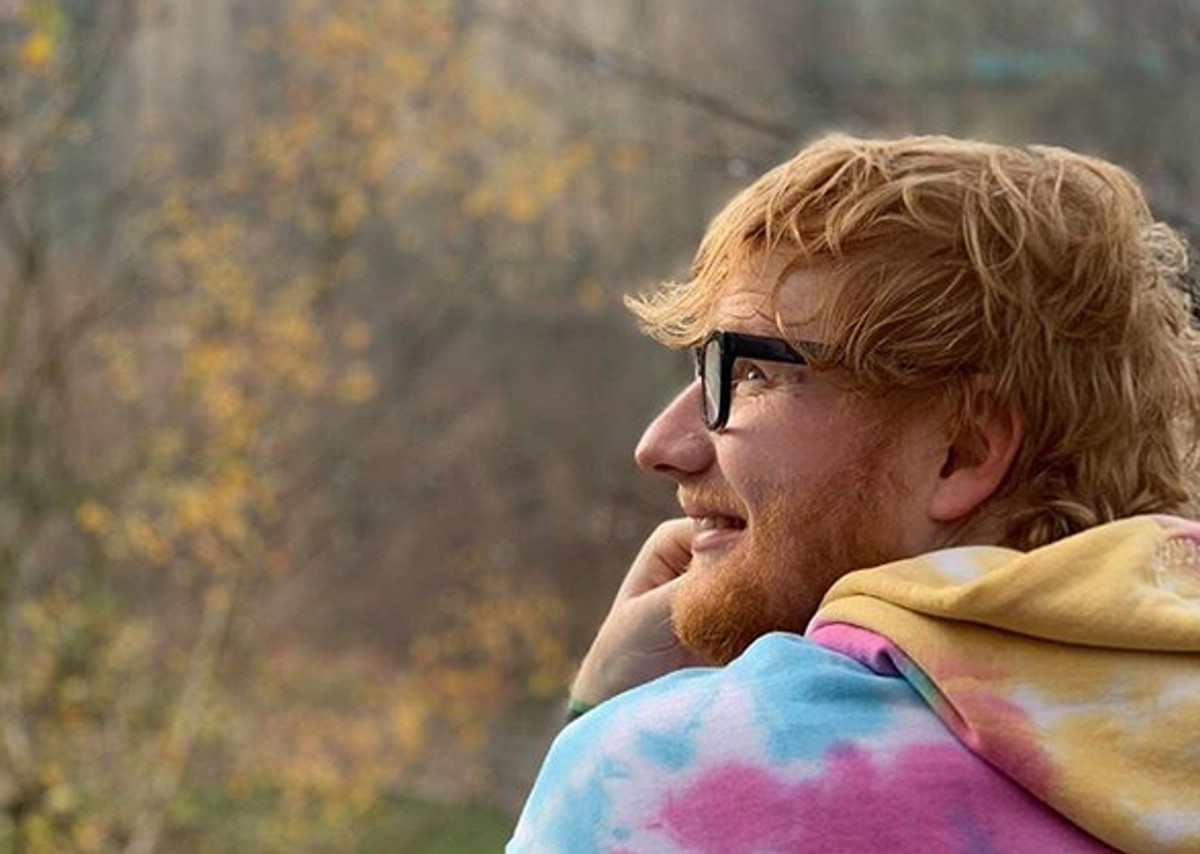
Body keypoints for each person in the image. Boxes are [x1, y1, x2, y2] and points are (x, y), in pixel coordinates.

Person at [508, 135, 1200, 853]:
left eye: (750, 374)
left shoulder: (667, 776)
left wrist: (600, 731)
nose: (662, 446)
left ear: (962, 450)